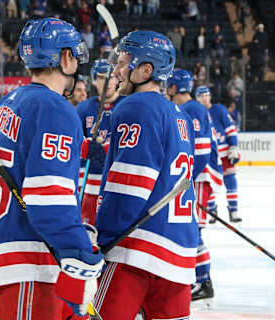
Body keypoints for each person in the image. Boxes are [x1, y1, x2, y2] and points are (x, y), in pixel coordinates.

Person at [0, 18, 104, 320]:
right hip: (29, 254)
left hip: (14, 244)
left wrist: (81, 149)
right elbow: (49, 198)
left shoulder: (11, 100)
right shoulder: (55, 108)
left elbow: (25, 154)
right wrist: (78, 247)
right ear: (66, 57)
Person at [94, 31, 199, 320]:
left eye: (123, 62)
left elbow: (129, 187)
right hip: (180, 250)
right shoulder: (182, 116)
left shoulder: (134, 106)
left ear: (145, 70)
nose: (116, 70)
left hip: (136, 248)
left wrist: (101, 239)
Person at [167, 68, 223, 304]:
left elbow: (200, 153)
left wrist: (184, 181)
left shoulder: (193, 109)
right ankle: (198, 278)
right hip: (193, 178)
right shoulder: (190, 109)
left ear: (173, 88)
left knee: (195, 229)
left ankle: (203, 281)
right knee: (191, 228)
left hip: (196, 179)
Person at [77, 59, 123, 226]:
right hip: (90, 187)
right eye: (101, 77)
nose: (107, 82)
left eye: (111, 77)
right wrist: (85, 148)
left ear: (117, 80)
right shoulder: (83, 109)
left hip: (118, 186)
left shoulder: (128, 105)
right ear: (94, 80)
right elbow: (73, 143)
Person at [196, 85, 242, 223]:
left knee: (230, 179)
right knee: (208, 182)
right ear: (197, 98)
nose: (204, 98)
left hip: (224, 151)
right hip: (208, 154)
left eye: (206, 95)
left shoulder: (220, 109)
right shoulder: (197, 112)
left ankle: (233, 210)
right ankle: (212, 210)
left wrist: (233, 145)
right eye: (201, 96)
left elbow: (230, 128)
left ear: (210, 96)